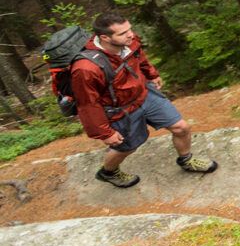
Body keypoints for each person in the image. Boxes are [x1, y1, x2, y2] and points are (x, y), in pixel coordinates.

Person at [73, 12, 218, 188]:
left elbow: (139, 57)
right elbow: (88, 105)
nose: (130, 34)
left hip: (144, 94)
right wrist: (105, 133)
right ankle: (109, 172)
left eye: (130, 29)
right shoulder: (86, 68)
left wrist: (151, 74)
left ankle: (186, 159)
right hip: (120, 110)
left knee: (181, 128)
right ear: (104, 37)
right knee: (127, 148)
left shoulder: (129, 42)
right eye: (123, 33)